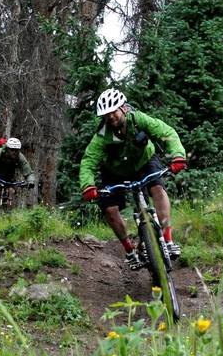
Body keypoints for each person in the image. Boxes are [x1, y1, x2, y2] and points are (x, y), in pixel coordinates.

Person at [79, 88, 187, 270]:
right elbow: (88, 161)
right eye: (106, 114)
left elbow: (167, 132)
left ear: (123, 108)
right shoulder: (101, 137)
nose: (111, 116)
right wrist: (88, 185)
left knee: (158, 190)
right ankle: (130, 251)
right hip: (115, 172)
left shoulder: (138, 119)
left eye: (114, 111)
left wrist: (177, 155)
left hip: (144, 161)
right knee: (110, 209)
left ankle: (168, 240)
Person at [0, 137, 36, 216]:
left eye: (17, 150)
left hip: (9, 178)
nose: (14, 152)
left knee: (11, 191)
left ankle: (8, 214)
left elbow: (28, 172)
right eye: (12, 150)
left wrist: (31, 181)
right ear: (7, 149)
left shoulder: (20, 157)